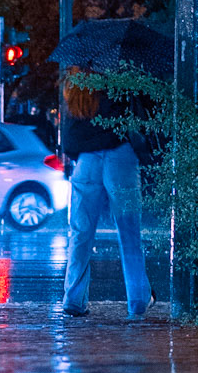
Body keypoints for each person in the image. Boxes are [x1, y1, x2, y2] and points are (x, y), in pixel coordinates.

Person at [59, 72, 152, 318]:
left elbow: (70, 130)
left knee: (80, 233)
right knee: (129, 231)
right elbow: (138, 112)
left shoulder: (76, 79)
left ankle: (74, 299)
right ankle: (138, 301)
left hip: (87, 160)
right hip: (119, 155)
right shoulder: (119, 76)